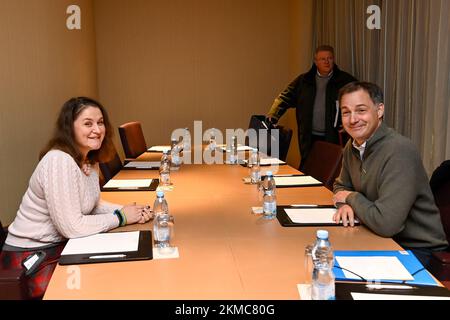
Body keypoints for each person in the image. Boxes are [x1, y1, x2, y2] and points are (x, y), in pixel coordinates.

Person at [0, 97, 153, 299]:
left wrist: (129, 210)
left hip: (59, 247)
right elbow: (71, 227)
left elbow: (93, 204)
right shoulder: (59, 160)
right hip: (30, 259)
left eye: (100, 123)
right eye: (88, 123)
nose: (97, 130)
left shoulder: (88, 158)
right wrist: (121, 217)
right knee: (101, 286)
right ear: (69, 128)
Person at [332, 82, 448, 267]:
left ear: (379, 111)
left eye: (361, 110)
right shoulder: (352, 146)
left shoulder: (399, 150)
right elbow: (340, 186)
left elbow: (387, 224)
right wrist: (343, 204)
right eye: (346, 112)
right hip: (375, 236)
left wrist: (351, 197)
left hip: (416, 250)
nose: (353, 119)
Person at [266, 45, 356, 168]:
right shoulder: (304, 81)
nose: (326, 62)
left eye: (329, 58)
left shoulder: (345, 81)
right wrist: (273, 115)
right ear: (315, 61)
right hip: (308, 136)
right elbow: (284, 97)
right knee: (309, 167)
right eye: (322, 59)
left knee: (330, 169)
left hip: (333, 136)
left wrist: (349, 125)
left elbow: (358, 103)